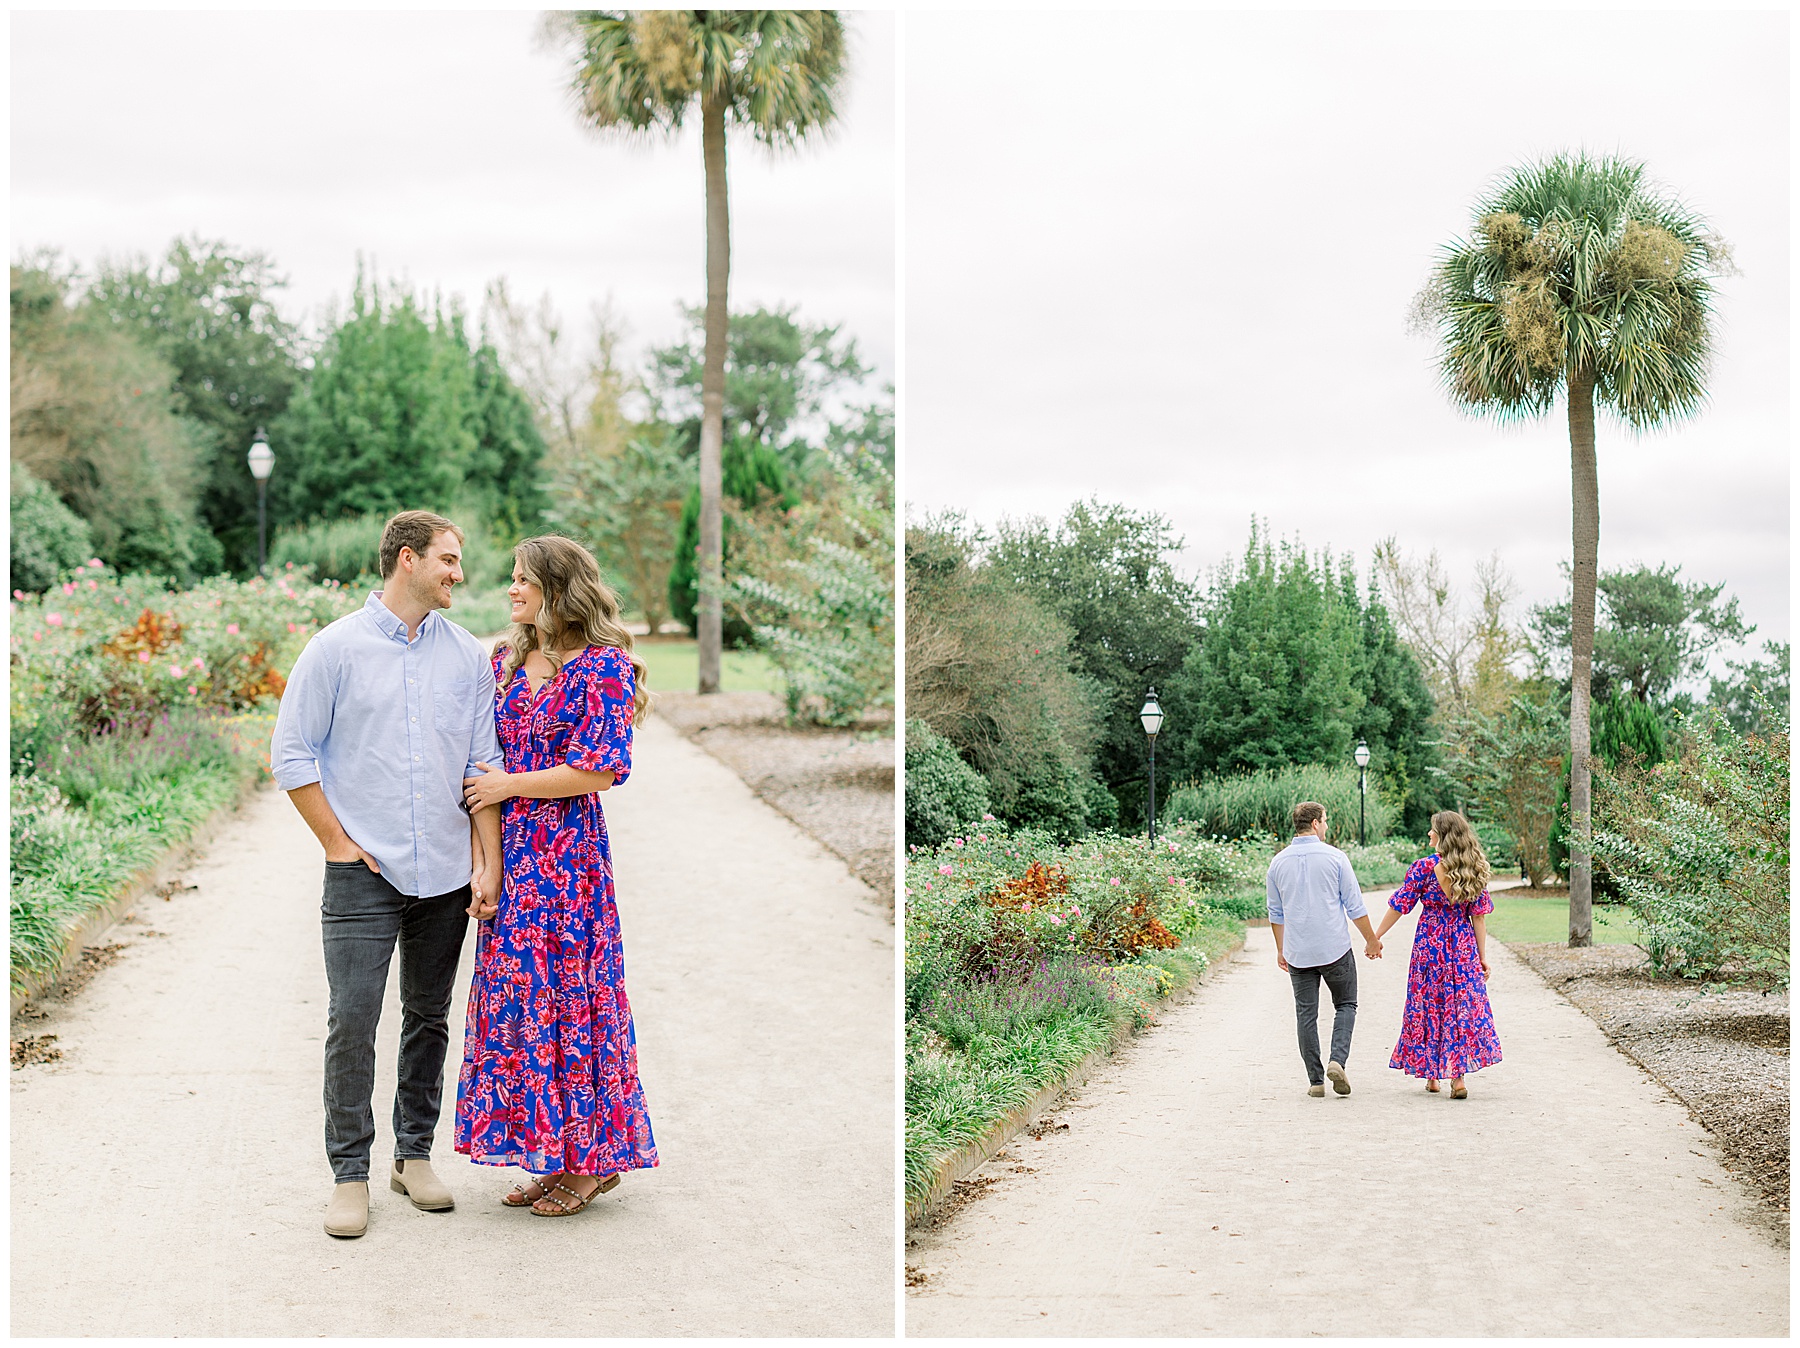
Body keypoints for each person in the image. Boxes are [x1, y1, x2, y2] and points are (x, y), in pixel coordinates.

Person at [270, 511, 504, 1239]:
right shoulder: (334, 650)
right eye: (448, 560)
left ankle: (412, 1156)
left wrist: (485, 861)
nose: (457, 574)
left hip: (442, 874)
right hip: (361, 876)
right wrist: (337, 844)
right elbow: (291, 755)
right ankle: (349, 1175)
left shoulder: (467, 657)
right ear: (408, 560)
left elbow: (480, 770)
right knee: (352, 1020)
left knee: (429, 1018)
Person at [454, 535, 659, 1215]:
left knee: (576, 1002)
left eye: (523, 579)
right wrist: (487, 863)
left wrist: (512, 785)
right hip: (515, 860)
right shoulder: (505, 662)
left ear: (558, 588)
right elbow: (481, 769)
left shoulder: (603, 667)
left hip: (570, 866)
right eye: (511, 578)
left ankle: (592, 1162)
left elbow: (600, 769)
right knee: (524, 1005)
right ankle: (558, 1154)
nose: (510, 589)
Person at [1371, 810, 1502, 1098]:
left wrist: (1376, 936)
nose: (1429, 834)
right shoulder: (1473, 868)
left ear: (1442, 835)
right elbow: (1478, 918)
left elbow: (1399, 905)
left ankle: (1432, 1076)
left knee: (1429, 1004)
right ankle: (1458, 1080)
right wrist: (1481, 957)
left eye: (1432, 830)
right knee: (1459, 1007)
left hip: (1429, 946)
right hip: (1462, 945)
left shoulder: (1423, 868)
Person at [1267, 801, 1384, 1097]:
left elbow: (1275, 914)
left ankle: (1316, 1082)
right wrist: (1371, 940)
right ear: (1316, 823)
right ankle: (1337, 1060)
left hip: (1298, 952)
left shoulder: (1277, 863)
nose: (1327, 826)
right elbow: (1355, 906)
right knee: (1346, 1004)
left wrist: (1281, 949)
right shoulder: (1335, 858)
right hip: (1335, 948)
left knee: (1306, 1014)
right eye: (1326, 821)